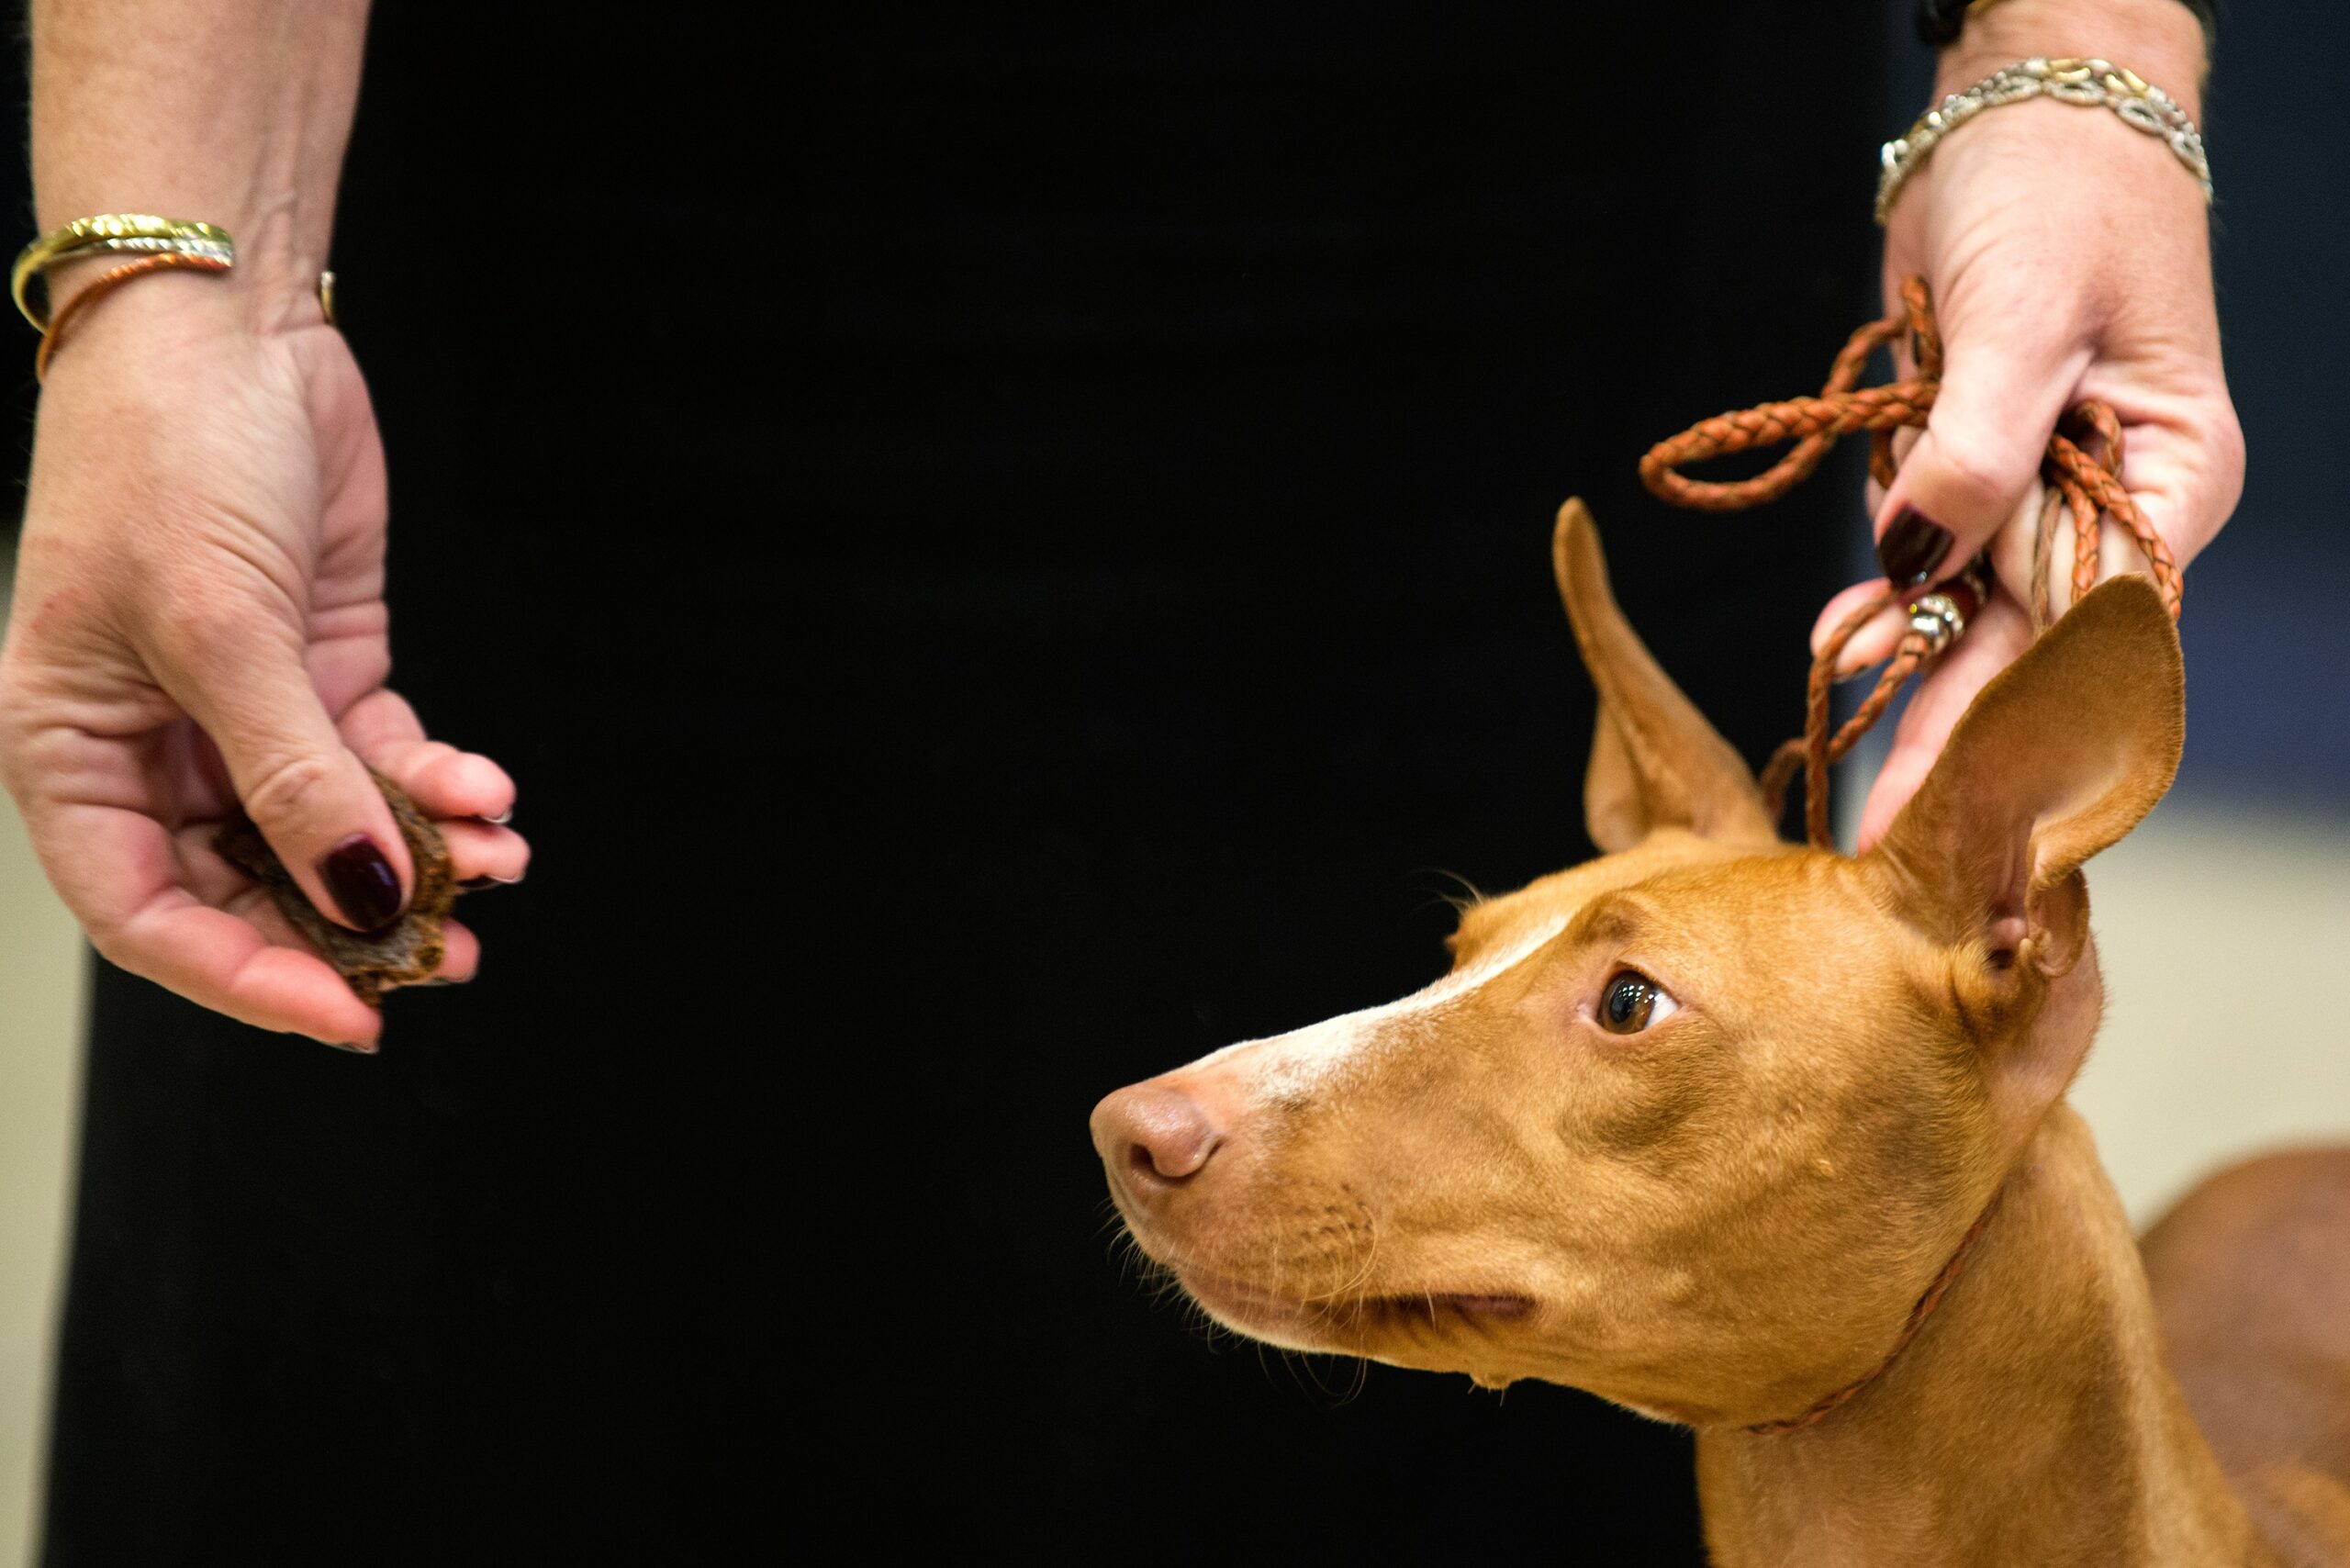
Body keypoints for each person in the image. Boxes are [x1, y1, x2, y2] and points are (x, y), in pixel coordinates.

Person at [0, 0, 2239, 1557]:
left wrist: (2081, 55)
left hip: (1491, 205)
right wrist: (178, 287)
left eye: (1621, 1000)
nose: (1156, 1101)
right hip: (566, 283)